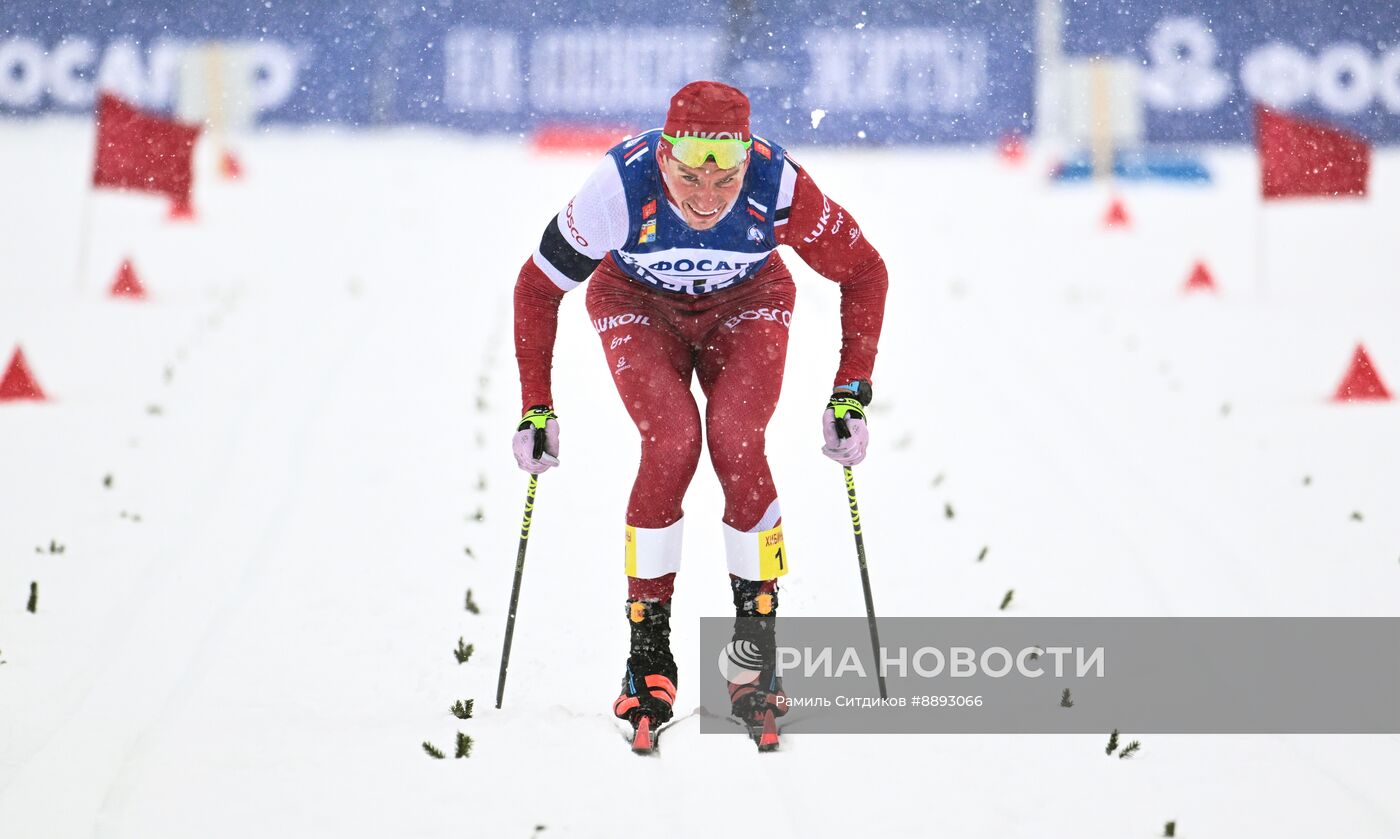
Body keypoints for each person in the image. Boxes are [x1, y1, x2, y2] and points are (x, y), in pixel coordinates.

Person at [511, 80, 888, 740]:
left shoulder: (780, 186)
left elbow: (865, 271)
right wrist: (536, 407)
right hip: (636, 303)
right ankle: (647, 658)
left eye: (726, 181)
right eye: (689, 179)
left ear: (748, 161)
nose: (707, 199)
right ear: (663, 159)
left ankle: (755, 661)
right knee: (673, 442)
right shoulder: (617, 188)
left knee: (737, 439)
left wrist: (851, 386)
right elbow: (537, 288)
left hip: (747, 304)